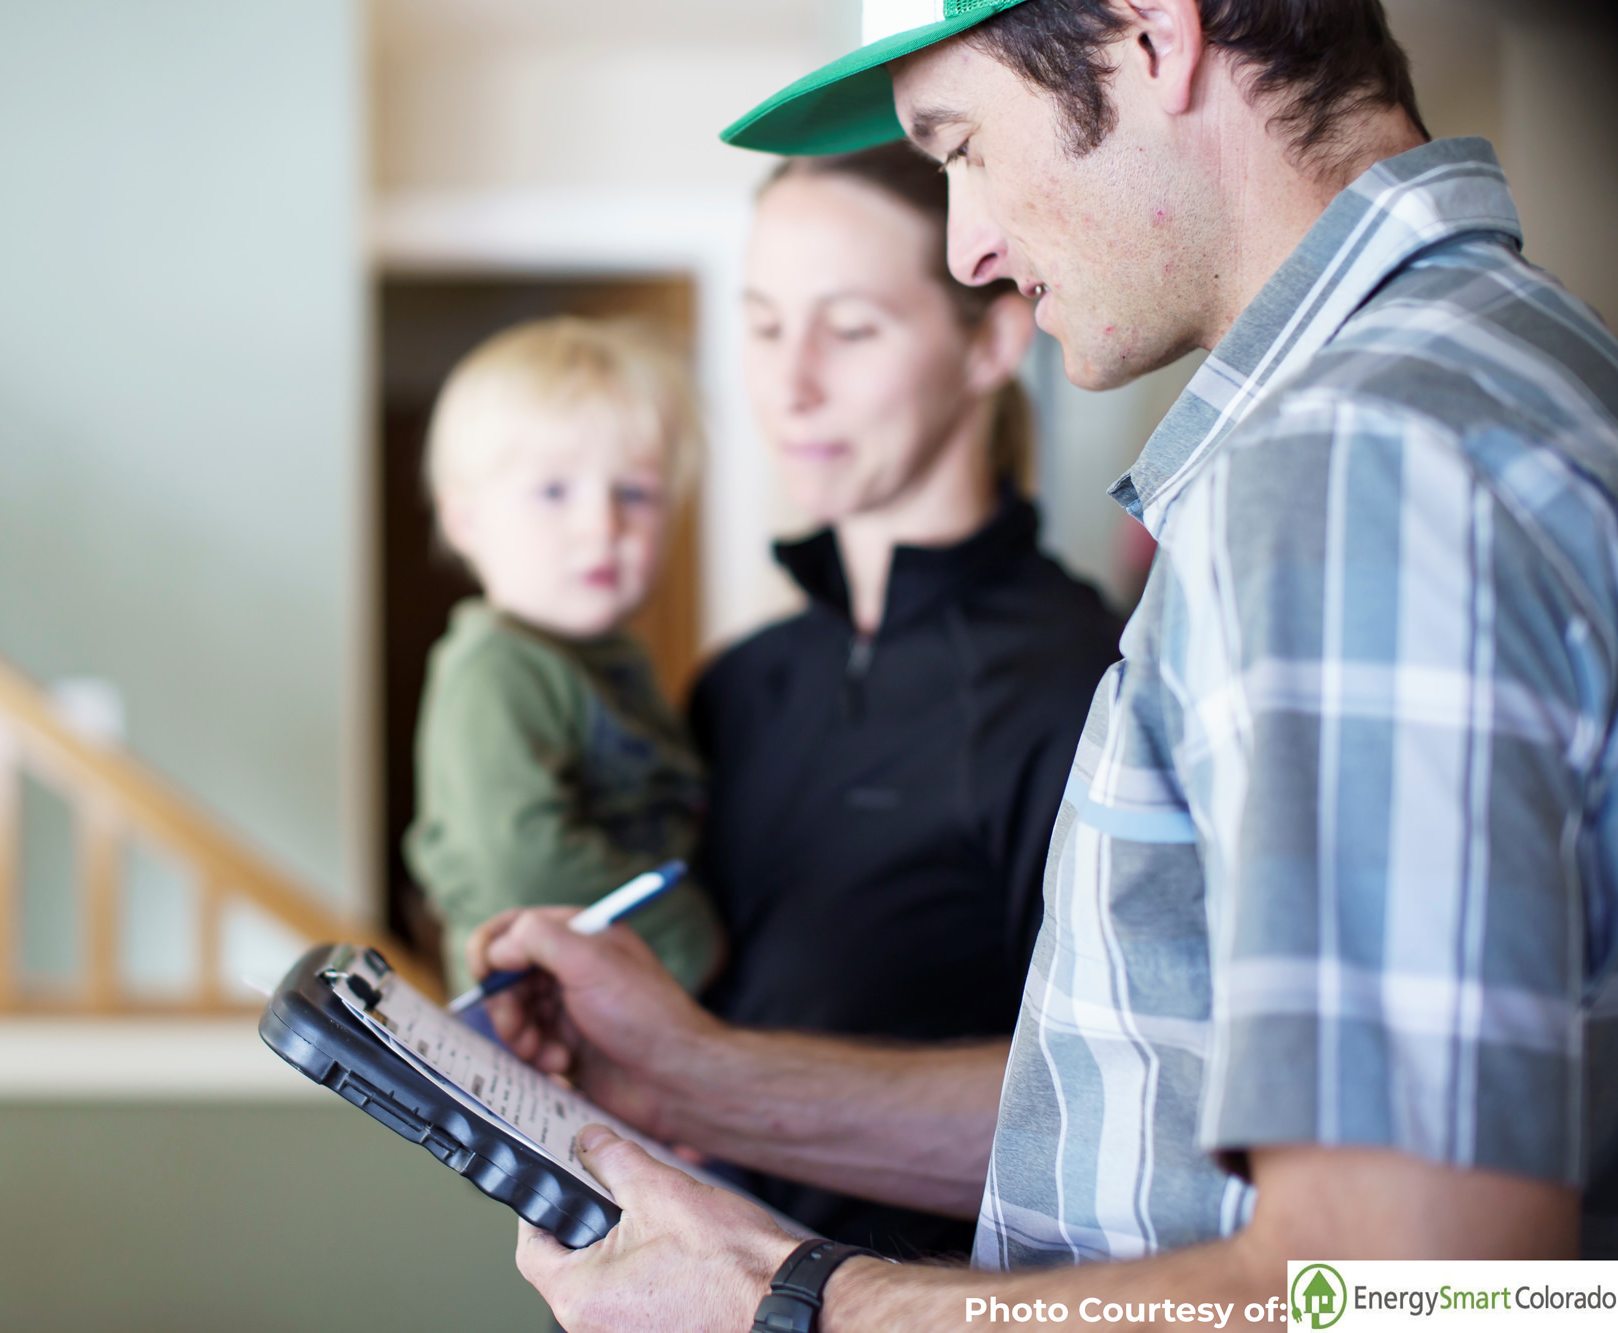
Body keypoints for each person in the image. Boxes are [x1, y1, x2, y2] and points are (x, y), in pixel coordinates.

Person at [467, 1, 1618, 1328]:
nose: (970, 247)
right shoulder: (1511, 367)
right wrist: (697, 1082)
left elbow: (1411, 1291)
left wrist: (788, 1301)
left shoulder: (1348, 471)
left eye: (961, 147)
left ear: (1151, 35)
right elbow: (1158, 1119)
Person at [689, 141, 1120, 1258]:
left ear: (989, 341)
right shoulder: (738, 684)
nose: (788, 386)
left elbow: (1123, 1112)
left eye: (850, 328)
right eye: (763, 322)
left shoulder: (1082, 688)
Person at [402, 317, 723, 995]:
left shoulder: (611, 660)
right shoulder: (498, 669)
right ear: (466, 521)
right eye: (553, 492)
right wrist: (687, 932)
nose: (601, 526)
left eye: (633, 494)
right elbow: (518, 860)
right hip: (544, 1023)